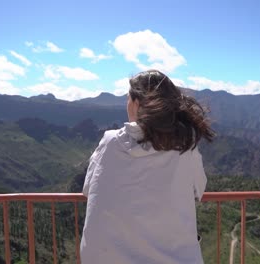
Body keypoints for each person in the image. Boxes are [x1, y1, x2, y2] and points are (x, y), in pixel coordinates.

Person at [80, 69, 215, 264]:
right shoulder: (185, 147)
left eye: (128, 99)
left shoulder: (110, 142)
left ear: (136, 104)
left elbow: (88, 190)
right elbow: (198, 191)